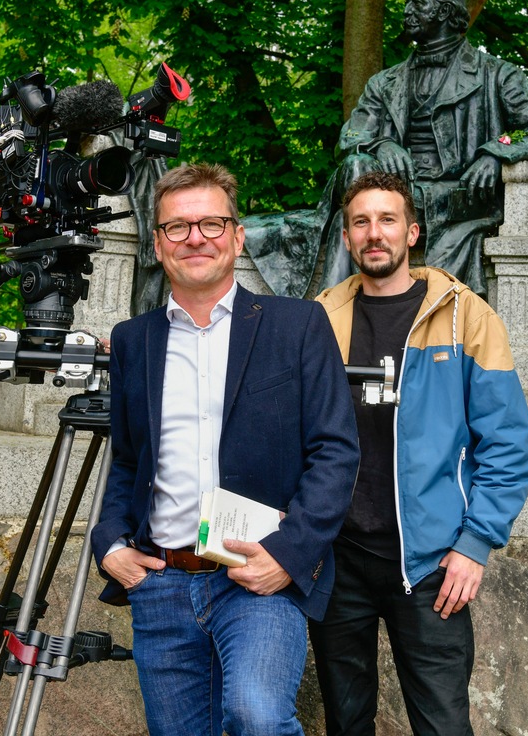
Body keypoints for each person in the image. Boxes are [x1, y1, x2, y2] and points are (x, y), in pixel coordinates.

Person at [90, 163, 361, 736]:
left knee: (258, 718)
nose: (195, 238)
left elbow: (335, 451)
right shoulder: (135, 341)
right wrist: (109, 542)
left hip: (254, 573)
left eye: (211, 224)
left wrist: (290, 553)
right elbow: (129, 460)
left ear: (237, 237)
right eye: (178, 227)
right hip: (159, 580)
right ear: (158, 243)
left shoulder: (298, 325)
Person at [310, 171, 528, 735]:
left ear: (411, 232)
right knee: (346, 720)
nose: (374, 233)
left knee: (443, 725)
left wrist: (475, 543)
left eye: (387, 220)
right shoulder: (319, 318)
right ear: (346, 238)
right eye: (360, 222)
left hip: (432, 563)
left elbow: (507, 443)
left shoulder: (466, 317)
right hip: (337, 558)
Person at [315, 0, 528, 296]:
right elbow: (350, 138)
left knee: (350, 219)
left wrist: (497, 150)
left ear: (446, 11)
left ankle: (328, 318)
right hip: (393, 193)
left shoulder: (497, 75)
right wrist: (382, 143)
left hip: (455, 196)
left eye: (417, 4)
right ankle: (341, 314)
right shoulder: (385, 82)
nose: (406, 11)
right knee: (355, 168)